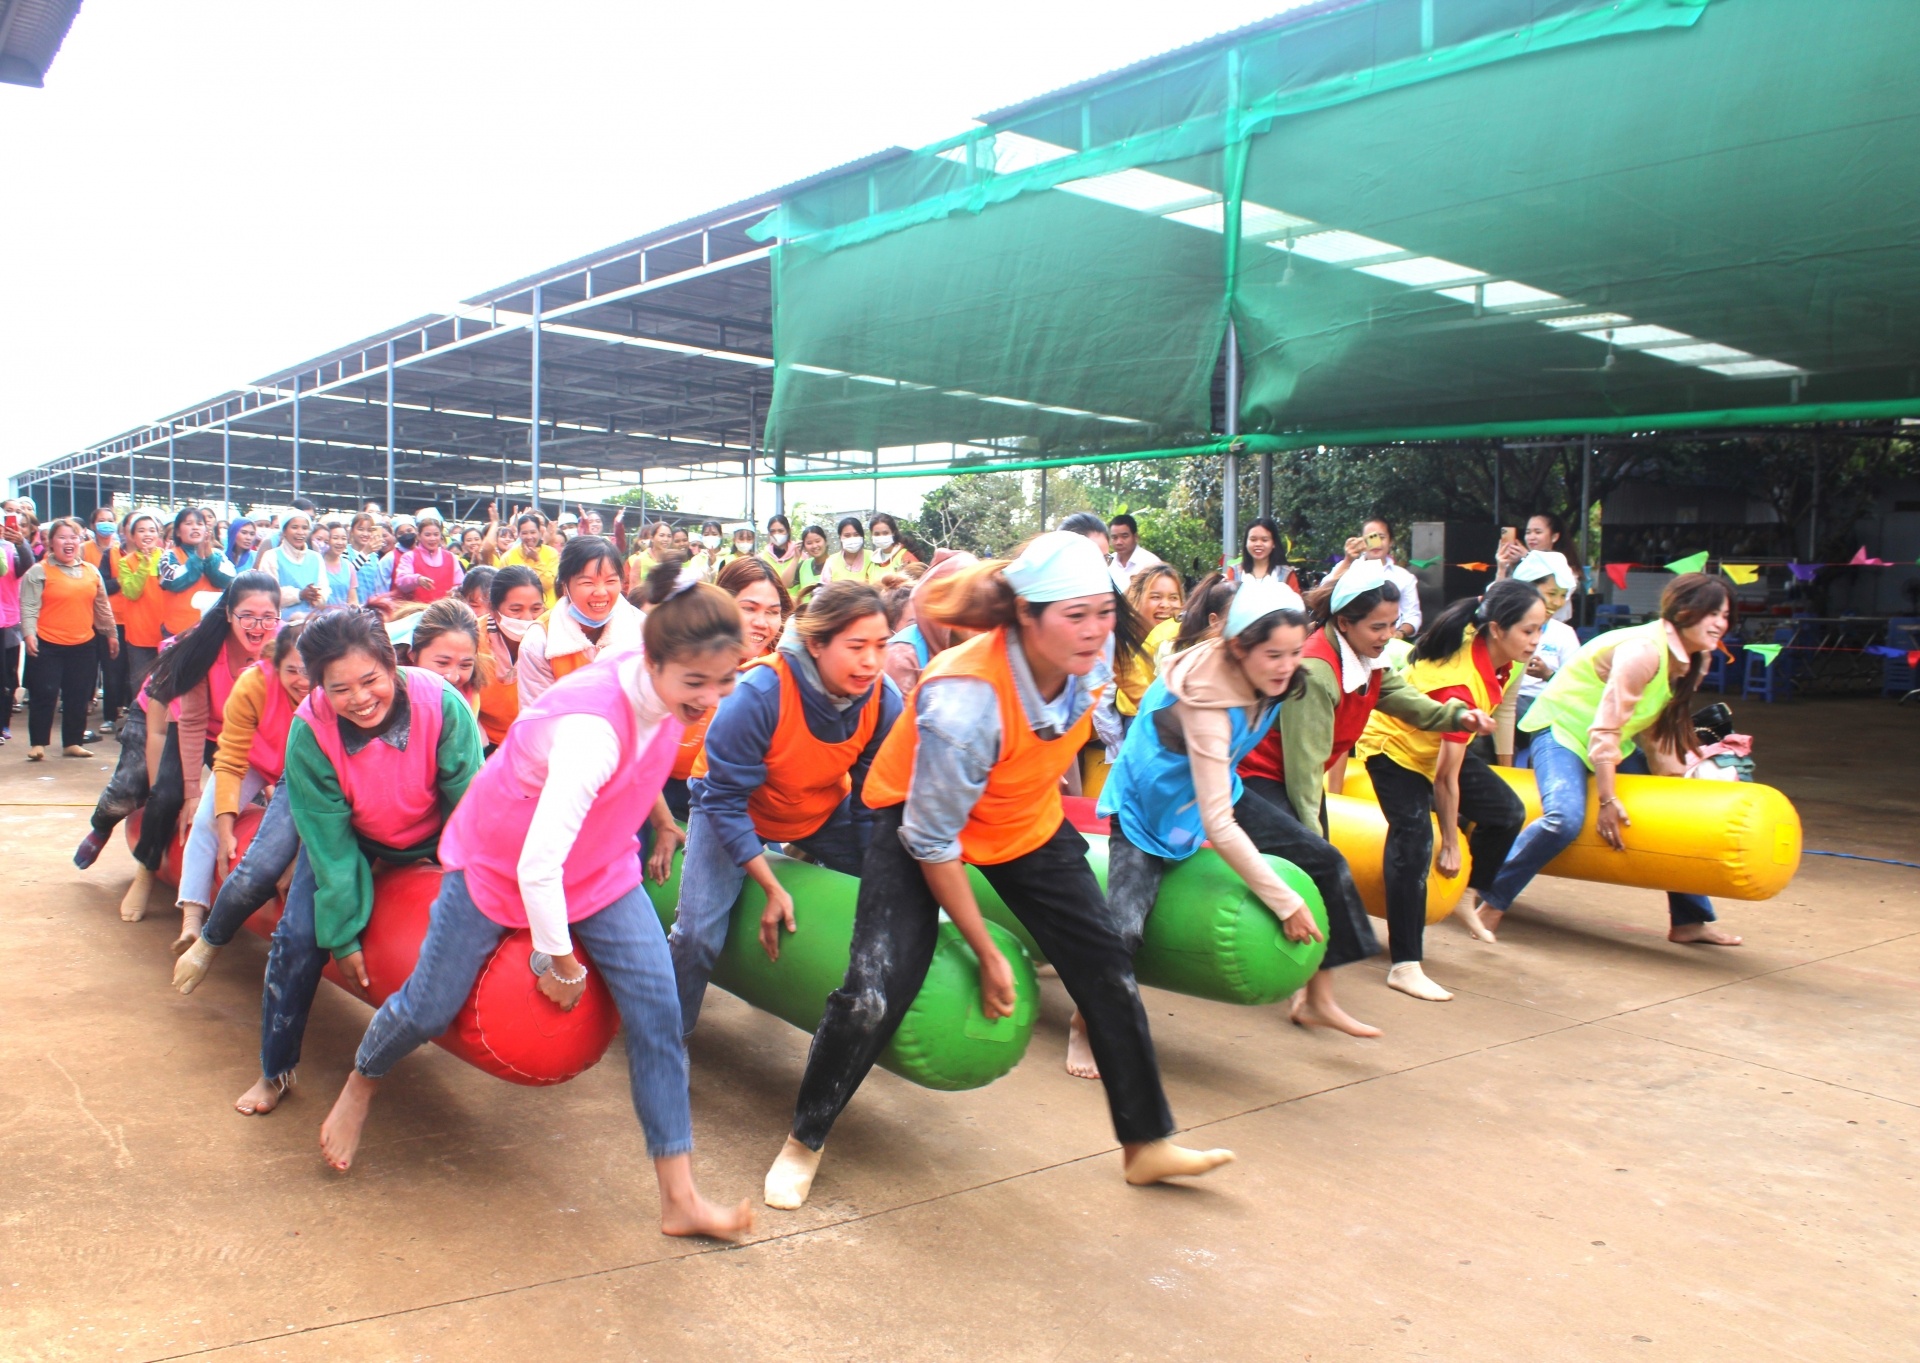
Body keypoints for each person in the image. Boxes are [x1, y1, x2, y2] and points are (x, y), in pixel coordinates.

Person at [762, 532, 1232, 1210]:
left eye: (1103, 611)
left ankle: (1146, 1142)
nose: (1096, 629)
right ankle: (804, 1140)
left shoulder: (1092, 654)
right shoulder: (964, 697)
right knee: (872, 990)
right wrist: (987, 950)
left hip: (1024, 819)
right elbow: (933, 842)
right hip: (917, 822)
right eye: (1075, 615)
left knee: (1107, 968)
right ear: (1025, 617)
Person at [312, 563, 753, 1243]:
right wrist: (561, 959)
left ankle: (681, 1197)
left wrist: (662, 818)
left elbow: (639, 759)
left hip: (600, 863)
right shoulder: (591, 732)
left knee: (659, 1012)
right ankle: (362, 1082)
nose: (710, 697)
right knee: (430, 1004)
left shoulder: (660, 668)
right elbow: (536, 864)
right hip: (503, 860)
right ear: (656, 662)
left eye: (725, 680)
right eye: (696, 683)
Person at [233, 607, 484, 1118]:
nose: (360, 699)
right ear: (318, 686)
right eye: (339, 688)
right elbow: (329, 841)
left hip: (433, 834)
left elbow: (471, 812)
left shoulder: (442, 704)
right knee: (299, 937)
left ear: (393, 664)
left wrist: (465, 884)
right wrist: (343, 935)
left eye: (370, 680)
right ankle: (274, 1068)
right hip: (354, 835)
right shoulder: (310, 732)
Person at [1082, 578, 1335, 1075]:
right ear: (1239, 647)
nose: (1287, 666)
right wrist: (1284, 901)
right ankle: (1082, 1028)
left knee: (1321, 856)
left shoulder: (1277, 679)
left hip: (1209, 795)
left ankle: (1320, 996)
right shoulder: (1204, 703)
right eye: (1274, 655)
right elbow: (1220, 825)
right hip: (1145, 813)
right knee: (1125, 932)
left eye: (1294, 652)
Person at [1236, 559, 1490, 1034]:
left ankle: (1311, 992)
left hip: (1291, 777)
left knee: (1321, 865)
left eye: (1393, 624)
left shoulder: (1370, 660)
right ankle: (1311, 990)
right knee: (1317, 865)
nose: (1388, 635)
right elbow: (1305, 767)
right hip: (1258, 778)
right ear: (1344, 622)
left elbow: (1404, 699)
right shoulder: (1316, 670)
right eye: (1378, 626)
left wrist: (1458, 717)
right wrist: (1313, 839)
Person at [671, 579, 900, 1035]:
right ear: (816, 644)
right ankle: (666, 1034)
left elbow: (871, 800)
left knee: (890, 894)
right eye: (857, 646)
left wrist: (877, 874)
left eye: (881, 645)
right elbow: (725, 801)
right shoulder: (757, 692)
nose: (871, 661)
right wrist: (771, 885)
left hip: (817, 806)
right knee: (697, 934)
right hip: (735, 810)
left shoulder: (883, 697)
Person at [1475, 573, 1743, 947]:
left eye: (1725, 615)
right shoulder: (1643, 650)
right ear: (1684, 612)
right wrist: (1607, 798)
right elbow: (1605, 729)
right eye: (1712, 613)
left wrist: (1680, 778)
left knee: (1672, 814)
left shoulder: (1696, 660)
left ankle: (1689, 920)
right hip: (1564, 732)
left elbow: (1657, 726)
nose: (1720, 624)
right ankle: (1490, 900)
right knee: (1563, 821)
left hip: (1614, 740)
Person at [1353, 579, 1543, 1000]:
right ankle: (1404, 964)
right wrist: (1452, 841)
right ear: (1497, 629)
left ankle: (1468, 894)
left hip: (1440, 742)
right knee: (1414, 842)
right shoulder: (1458, 683)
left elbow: (1500, 712)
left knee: (1507, 812)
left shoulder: (1502, 656)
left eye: (1539, 629)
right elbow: (1444, 778)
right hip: (1395, 750)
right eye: (1528, 630)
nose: (1535, 640)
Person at [75, 571, 279, 926]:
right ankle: (136, 860)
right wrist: (186, 792)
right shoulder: (197, 651)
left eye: (268, 617)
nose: (258, 625)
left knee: (242, 805)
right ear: (228, 613)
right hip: (168, 717)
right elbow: (186, 723)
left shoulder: (281, 650)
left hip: (230, 730)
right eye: (247, 615)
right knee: (147, 792)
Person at [170, 619, 312, 992]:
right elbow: (231, 757)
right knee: (204, 820)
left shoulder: (331, 692)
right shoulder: (253, 684)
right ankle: (192, 915)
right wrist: (226, 823)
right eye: (292, 670)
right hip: (255, 759)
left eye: (309, 670)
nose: (302, 680)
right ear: (275, 664)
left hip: (300, 772)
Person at [661, 554, 793, 820]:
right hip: (663, 791)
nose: (762, 622)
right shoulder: (682, 657)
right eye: (749, 608)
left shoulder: (778, 670)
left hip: (742, 799)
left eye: (773, 612)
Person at [20, 519, 116, 761]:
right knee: (45, 693)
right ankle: (38, 743)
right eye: (62, 537)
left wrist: (111, 633)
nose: (68, 542)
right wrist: (29, 633)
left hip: (83, 644)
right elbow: (29, 606)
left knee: (79, 694)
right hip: (48, 643)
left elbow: (102, 606)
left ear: (80, 541)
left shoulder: (91, 571)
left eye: (73, 537)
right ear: (51, 542)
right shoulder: (38, 571)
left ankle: (72, 742)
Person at [517, 536, 644, 706]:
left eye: (611, 581)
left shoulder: (642, 628)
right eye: (587, 582)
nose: (601, 592)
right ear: (565, 586)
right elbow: (537, 717)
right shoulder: (539, 642)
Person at [1493, 552, 1582, 766]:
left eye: (1563, 595)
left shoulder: (1562, 634)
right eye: (1551, 593)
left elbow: (1576, 686)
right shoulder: (1496, 632)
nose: (1557, 603)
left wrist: (1548, 674)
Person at [883, 548, 977, 695]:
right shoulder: (903, 656)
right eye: (966, 600)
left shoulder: (983, 646)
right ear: (940, 603)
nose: (978, 613)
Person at [476, 565, 544, 749]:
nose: (527, 618)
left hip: (537, 741)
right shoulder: (473, 638)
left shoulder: (552, 638)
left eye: (536, 609)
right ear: (492, 608)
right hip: (484, 742)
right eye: (516, 610)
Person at [1323, 516, 1421, 639]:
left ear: (1391, 541)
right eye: (1370, 537)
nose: (1376, 543)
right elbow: (1323, 593)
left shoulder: (1404, 577)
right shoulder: (1348, 566)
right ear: (1361, 541)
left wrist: (1399, 634)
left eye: (1381, 537)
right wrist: (1348, 560)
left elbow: (1413, 616)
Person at [1112, 564, 1184, 721]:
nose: (1166, 605)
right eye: (1156, 597)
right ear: (1136, 599)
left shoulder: (1181, 644)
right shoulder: (1117, 642)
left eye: (1173, 598)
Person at [83, 509, 132, 729]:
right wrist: (123, 581)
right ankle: (110, 716)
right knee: (113, 670)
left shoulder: (158, 556)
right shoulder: (111, 554)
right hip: (115, 620)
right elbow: (101, 584)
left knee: (135, 672)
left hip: (143, 621)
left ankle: (132, 712)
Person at [115, 510, 169, 701]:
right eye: (141, 530)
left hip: (166, 633)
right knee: (139, 683)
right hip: (139, 635)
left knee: (165, 684)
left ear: (159, 534)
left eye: (152, 530)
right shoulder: (125, 562)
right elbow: (131, 592)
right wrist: (144, 566)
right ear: (132, 536)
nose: (147, 534)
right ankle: (139, 727)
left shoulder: (168, 558)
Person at [158, 508, 237, 637]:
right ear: (177, 532)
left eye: (200, 524)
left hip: (210, 630)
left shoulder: (217, 554)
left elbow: (228, 581)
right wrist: (198, 558)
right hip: (178, 631)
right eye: (188, 524)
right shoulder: (169, 555)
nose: (195, 528)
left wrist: (210, 558)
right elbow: (173, 582)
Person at [1497, 512, 1584, 623]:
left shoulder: (1564, 568)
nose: (1531, 537)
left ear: (1554, 537)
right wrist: (1502, 568)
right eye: (1528, 532)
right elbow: (1497, 599)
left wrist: (1528, 558)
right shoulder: (1520, 564)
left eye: (1538, 532)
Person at [257, 511, 326, 621]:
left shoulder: (316, 558)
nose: (300, 532)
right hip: (280, 624)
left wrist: (316, 596)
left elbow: (324, 589)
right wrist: (299, 594)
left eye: (304, 528)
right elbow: (267, 593)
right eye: (294, 527)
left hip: (312, 624)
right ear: (284, 531)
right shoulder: (271, 556)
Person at [1, 511, 30, 743]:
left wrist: (21, 543)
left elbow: (27, 566)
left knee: (7, 677)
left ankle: (3, 724)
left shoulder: (10, 550)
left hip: (8, 623)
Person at [394, 509, 464, 603]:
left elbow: (460, 584)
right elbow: (401, 582)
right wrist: (417, 580)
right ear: (419, 536)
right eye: (427, 535)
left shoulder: (450, 557)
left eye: (436, 534)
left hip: (445, 611)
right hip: (417, 612)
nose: (432, 538)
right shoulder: (409, 557)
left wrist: (455, 591)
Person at [499, 512, 560, 606]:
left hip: (547, 611)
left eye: (533, 532)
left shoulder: (551, 553)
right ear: (518, 534)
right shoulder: (508, 557)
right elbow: (502, 588)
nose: (529, 537)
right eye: (524, 533)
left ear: (540, 533)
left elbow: (549, 584)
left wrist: (537, 560)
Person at [1236, 516, 1298, 589]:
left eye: (1264, 540)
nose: (1258, 544)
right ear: (1246, 543)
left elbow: (1295, 600)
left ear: (1274, 543)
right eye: (1253, 540)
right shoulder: (1235, 572)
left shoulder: (1286, 574)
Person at [1107, 513, 1163, 591]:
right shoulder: (1108, 563)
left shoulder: (1151, 564)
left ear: (1136, 537)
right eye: (1114, 537)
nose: (1119, 542)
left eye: (1124, 536)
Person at [316, 520, 359, 606]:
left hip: (341, 618)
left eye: (343, 539)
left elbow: (353, 601)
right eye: (335, 538)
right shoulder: (316, 563)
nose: (340, 543)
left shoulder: (348, 566)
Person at [821, 517, 873, 585]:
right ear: (840, 538)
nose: (852, 538)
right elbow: (823, 588)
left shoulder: (872, 557)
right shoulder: (832, 561)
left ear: (862, 536)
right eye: (847, 535)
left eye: (856, 535)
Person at [866, 513, 918, 578]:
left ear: (893, 532)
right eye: (877, 534)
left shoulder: (906, 558)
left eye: (885, 533)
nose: (881, 536)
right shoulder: (872, 562)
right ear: (871, 535)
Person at [626, 520, 675, 589]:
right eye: (661, 535)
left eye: (669, 536)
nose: (666, 539)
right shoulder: (640, 560)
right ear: (652, 538)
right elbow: (633, 591)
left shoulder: (673, 560)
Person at [791, 525, 831, 607]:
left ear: (825, 541)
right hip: (807, 616)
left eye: (817, 541)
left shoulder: (835, 562)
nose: (814, 546)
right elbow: (785, 583)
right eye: (809, 543)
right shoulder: (803, 565)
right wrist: (796, 558)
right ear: (804, 547)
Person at [758, 514, 801, 587]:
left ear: (788, 531)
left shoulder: (801, 555)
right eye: (772, 531)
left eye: (780, 531)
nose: (776, 534)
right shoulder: (761, 558)